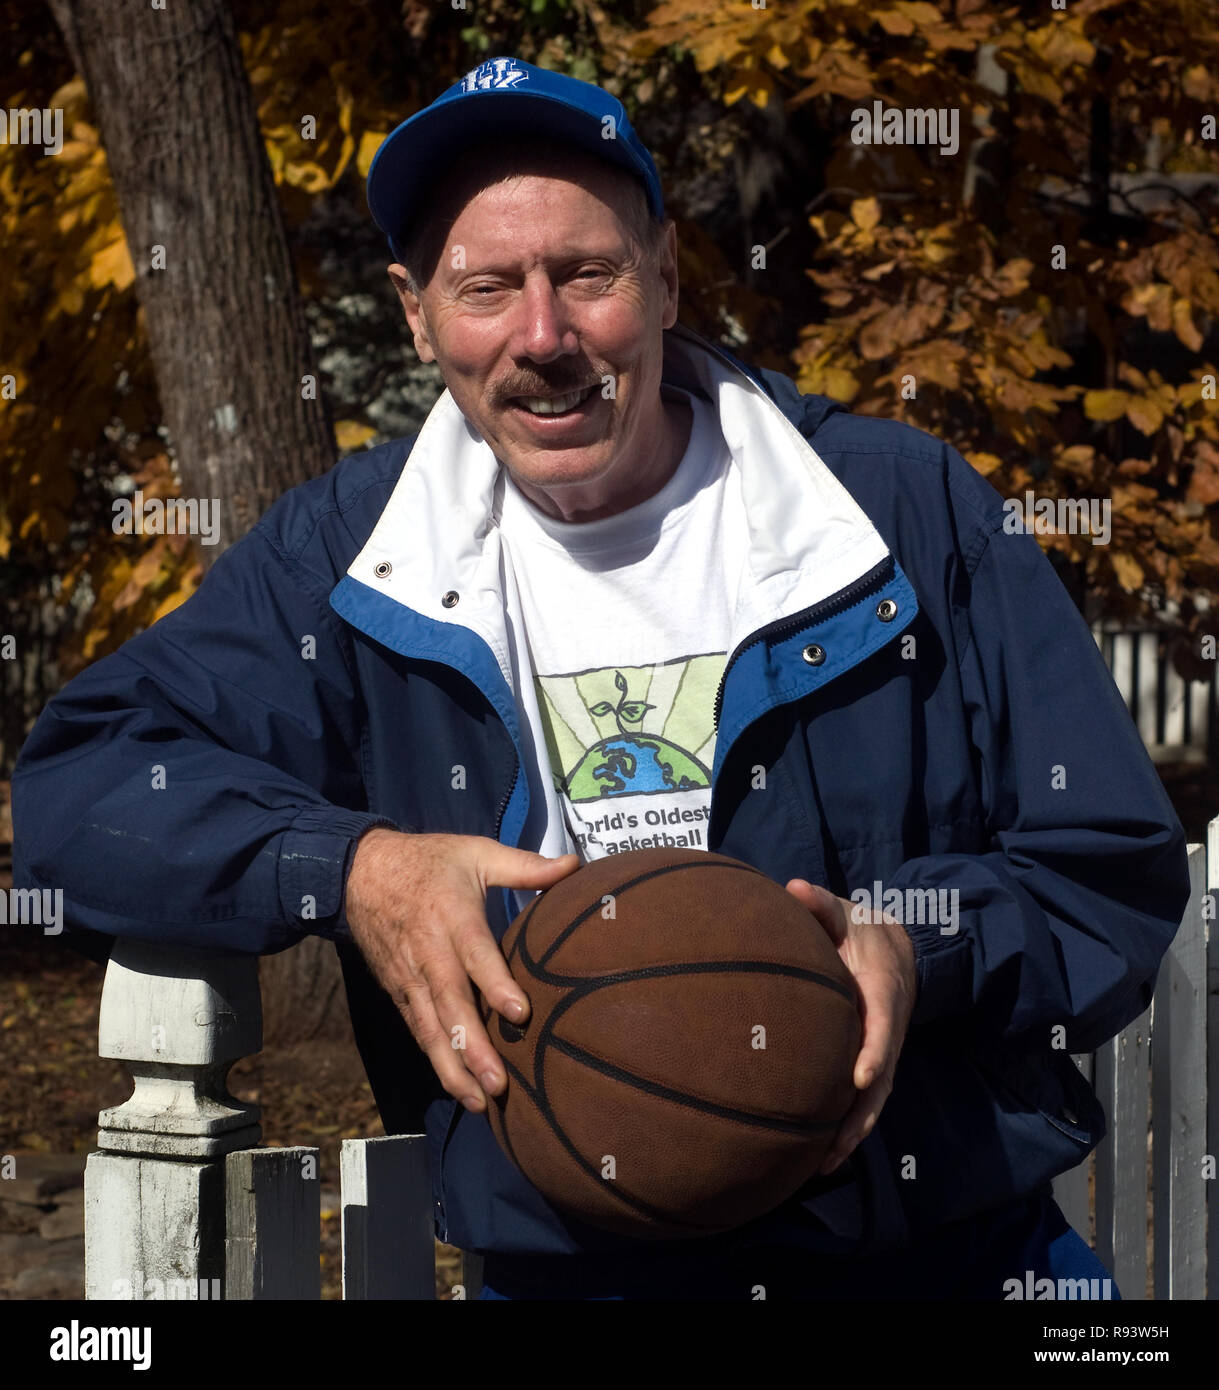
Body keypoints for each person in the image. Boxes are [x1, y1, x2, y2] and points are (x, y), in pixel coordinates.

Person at [13, 57, 1190, 1301]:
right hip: (572, 1265)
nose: (542, 337)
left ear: (667, 275)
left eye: (586, 274)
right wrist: (357, 869)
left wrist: (921, 949)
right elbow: (80, 783)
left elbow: (1102, 861)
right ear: (416, 316)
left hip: (938, 1250)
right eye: (486, 288)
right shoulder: (349, 562)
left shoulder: (899, 511)